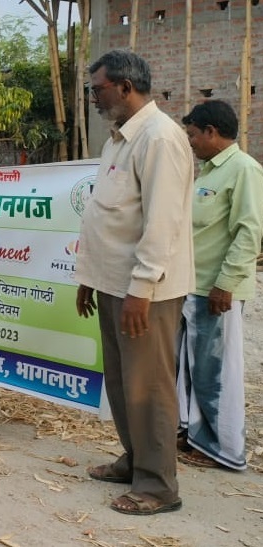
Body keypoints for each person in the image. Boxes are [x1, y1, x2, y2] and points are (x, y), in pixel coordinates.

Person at [75, 50, 194, 516]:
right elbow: (109, 216)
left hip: (145, 293)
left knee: (148, 387)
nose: (94, 98)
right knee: (122, 383)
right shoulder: (119, 140)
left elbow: (162, 224)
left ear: (125, 87)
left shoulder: (159, 138)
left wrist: (141, 289)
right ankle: (136, 460)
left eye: (98, 89)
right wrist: (89, 278)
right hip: (113, 285)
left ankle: (158, 485)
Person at [176, 100, 263, 471]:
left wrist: (225, 284)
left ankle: (223, 448)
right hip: (194, 286)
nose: (191, 142)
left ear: (211, 132)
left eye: (193, 135)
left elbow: (249, 232)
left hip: (217, 291)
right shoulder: (209, 171)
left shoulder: (244, 169)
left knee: (216, 372)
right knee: (193, 367)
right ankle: (195, 433)